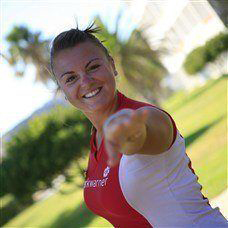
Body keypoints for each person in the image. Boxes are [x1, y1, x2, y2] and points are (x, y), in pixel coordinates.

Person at [50, 23, 228, 227]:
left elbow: (145, 133)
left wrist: (132, 135)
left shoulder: (146, 117)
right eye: (71, 78)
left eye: (93, 67)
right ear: (63, 91)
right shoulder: (95, 141)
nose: (86, 81)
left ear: (112, 65)